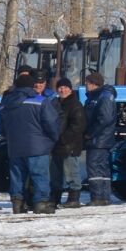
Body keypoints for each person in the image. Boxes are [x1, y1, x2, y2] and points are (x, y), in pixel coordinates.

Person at [0, 70, 60, 214]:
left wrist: (11, 138)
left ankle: (17, 204)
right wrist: (51, 140)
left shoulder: (6, 103)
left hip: (14, 147)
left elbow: (1, 128)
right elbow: (52, 123)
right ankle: (41, 203)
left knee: (17, 177)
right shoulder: (40, 101)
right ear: (31, 86)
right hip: (37, 147)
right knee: (39, 176)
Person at [82, 72, 119, 206]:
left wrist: (90, 133)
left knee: (95, 168)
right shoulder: (96, 97)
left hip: (99, 140)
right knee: (102, 168)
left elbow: (105, 118)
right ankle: (103, 197)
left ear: (94, 83)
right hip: (100, 139)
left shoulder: (103, 97)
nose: (85, 85)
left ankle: (98, 197)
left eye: (87, 82)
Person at [50, 76, 86, 208]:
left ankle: (74, 198)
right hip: (55, 144)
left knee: (71, 171)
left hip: (69, 144)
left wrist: (64, 139)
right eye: (60, 87)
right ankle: (55, 198)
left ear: (70, 89)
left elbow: (78, 125)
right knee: (56, 173)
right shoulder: (54, 103)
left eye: (65, 87)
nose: (62, 90)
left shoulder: (75, 105)